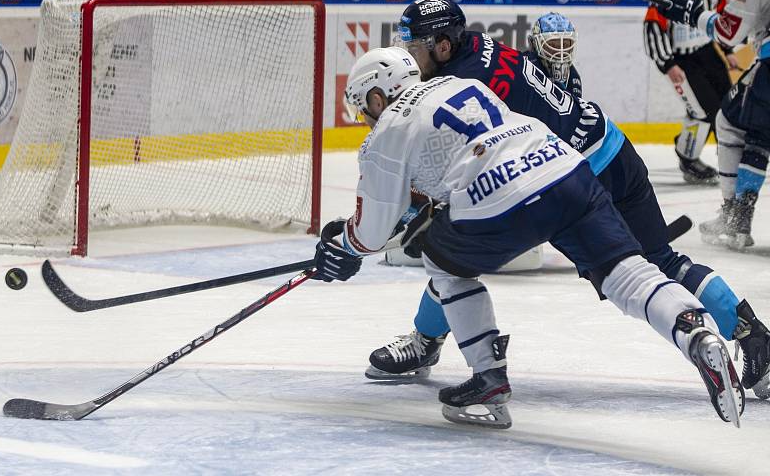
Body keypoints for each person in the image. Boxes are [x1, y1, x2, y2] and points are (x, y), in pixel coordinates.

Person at [313, 45, 744, 428]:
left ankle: (488, 379)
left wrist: (343, 247)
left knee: (442, 262)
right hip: (565, 170)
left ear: (376, 95)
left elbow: (369, 235)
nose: (365, 120)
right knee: (626, 272)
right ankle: (694, 332)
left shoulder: (387, 129)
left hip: (498, 197)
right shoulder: (459, 83)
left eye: (363, 109)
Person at [657, 0, 770, 250]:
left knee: (731, 124)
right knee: (753, 129)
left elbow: (729, 34)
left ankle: (734, 217)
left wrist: (693, 14)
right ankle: (737, 219)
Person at [643, 0, 737, 185]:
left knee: (727, 107)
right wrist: (668, 63)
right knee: (703, 111)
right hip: (682, 60)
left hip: (707, 52)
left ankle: (730, 158)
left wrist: (727, 50)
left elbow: (722, 16)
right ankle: (687, 158)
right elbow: (653, 27)